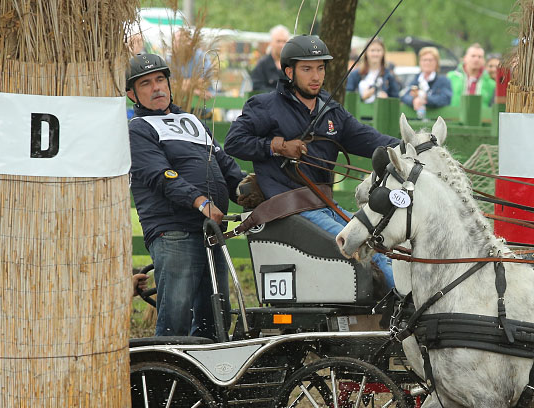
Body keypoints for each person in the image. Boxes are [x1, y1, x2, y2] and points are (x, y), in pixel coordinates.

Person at [223, 35, 398, 285]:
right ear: (289, 72)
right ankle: (410, 311)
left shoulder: (331, 111)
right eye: (306, 69)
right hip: (288, 208)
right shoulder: (265, 106)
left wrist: (411, 146)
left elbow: (371, 139)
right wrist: (278, 146)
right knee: (366, 246)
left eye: (320, 68)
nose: (315, 76)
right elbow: (234, 141)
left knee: (381, 243)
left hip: (324, 204)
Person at [126, 53, 246, 339]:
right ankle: (164, 376)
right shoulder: (137, 129)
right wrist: (201, 202)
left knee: (217, 313)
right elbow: (161, 175)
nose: (156, 88)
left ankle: (205, 380)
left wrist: (251, 192)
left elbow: (226, 166)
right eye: (146, 84)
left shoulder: (192, 121)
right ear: (132, 94)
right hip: (174, 232)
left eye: (160, 80)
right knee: (176, 316)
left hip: (211, 231)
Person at [400, 46, 453, 119]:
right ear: (420, 62)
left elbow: (445, 99)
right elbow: (403, 95)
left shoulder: (443, 80)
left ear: (436, 63)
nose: (427, 62)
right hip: (415, 121)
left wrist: (426, 98)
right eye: (424, 60)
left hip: (435, 121)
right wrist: (413, 101)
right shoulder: (416, 79)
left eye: (430, 60)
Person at [346, 37, 401, 104]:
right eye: (372, 50)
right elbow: (348, 97)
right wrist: (362, 97)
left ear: (383, 53)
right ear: (366, 52)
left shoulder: (389, 75)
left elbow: (396, 99)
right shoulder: (355, 74)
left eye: (378, 50)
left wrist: (387, 99)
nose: (375, 54)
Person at [447, 43, 495, 108]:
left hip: (481, 117)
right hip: (454, 116)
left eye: (480, 57)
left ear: (484, 61)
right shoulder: (451, 77)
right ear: (465, 58)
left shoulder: (491, 83)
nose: (476, 59)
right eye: (473, 56)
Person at [251, 25, 290, 94]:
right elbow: (257, 88)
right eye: (278, 41)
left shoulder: (293, 64)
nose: (281, 45)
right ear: (271, 42)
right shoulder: (262, 65)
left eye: (284, 41)